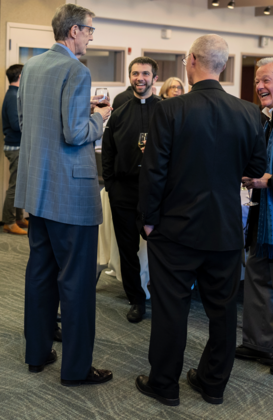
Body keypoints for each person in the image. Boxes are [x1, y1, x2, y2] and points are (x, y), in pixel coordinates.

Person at [135, 34, 267, 406]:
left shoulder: (170, 110)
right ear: (223, 65)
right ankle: (213, 385)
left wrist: (148, 220)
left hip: (175, 230)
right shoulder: (248, 112)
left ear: (191, 60)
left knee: (170, 310)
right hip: (225, 230)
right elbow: (256, 169)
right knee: (223, 312)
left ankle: (164, 384)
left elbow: (153, 172)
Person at [16, 3, 113, 385]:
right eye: (89, 30)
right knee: (76, 282)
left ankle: (37, 353)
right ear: (73, 31)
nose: (90, 37)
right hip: (70, 193)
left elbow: (29, 123)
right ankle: (75, 369)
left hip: (38, 189)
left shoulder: (34, 67)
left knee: (40, 273)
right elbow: (74, 135)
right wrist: (98, 118)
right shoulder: (76, 70)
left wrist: (80, 111)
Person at [102, 57, 160, 324]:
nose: (140, 78)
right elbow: (108, 153)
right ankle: (136, 299)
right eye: (136, 73)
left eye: (145, 73)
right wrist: (111, 186)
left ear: (154, 78)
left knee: (161, 249)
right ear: (130, 77)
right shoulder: (119, 113)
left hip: (158, 192)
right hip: (124, 191)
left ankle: (162, 297)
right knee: (127, 249)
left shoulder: (167, 111)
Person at [237, 57, 273, 373]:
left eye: (267, 80)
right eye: (257, 82)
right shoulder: (262, 119)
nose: (260, 87)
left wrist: (267, 180)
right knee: (256, 277)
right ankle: (257, 343)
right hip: (261, 217)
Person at [1, 64, 28, 236]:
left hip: (19, 147)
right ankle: (9, 222)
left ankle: (18, 217)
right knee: (15, 186)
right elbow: (16, 124)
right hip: (15, 147)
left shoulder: (15, 94)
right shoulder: (12, 96)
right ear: (19, 76)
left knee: (20, 185)